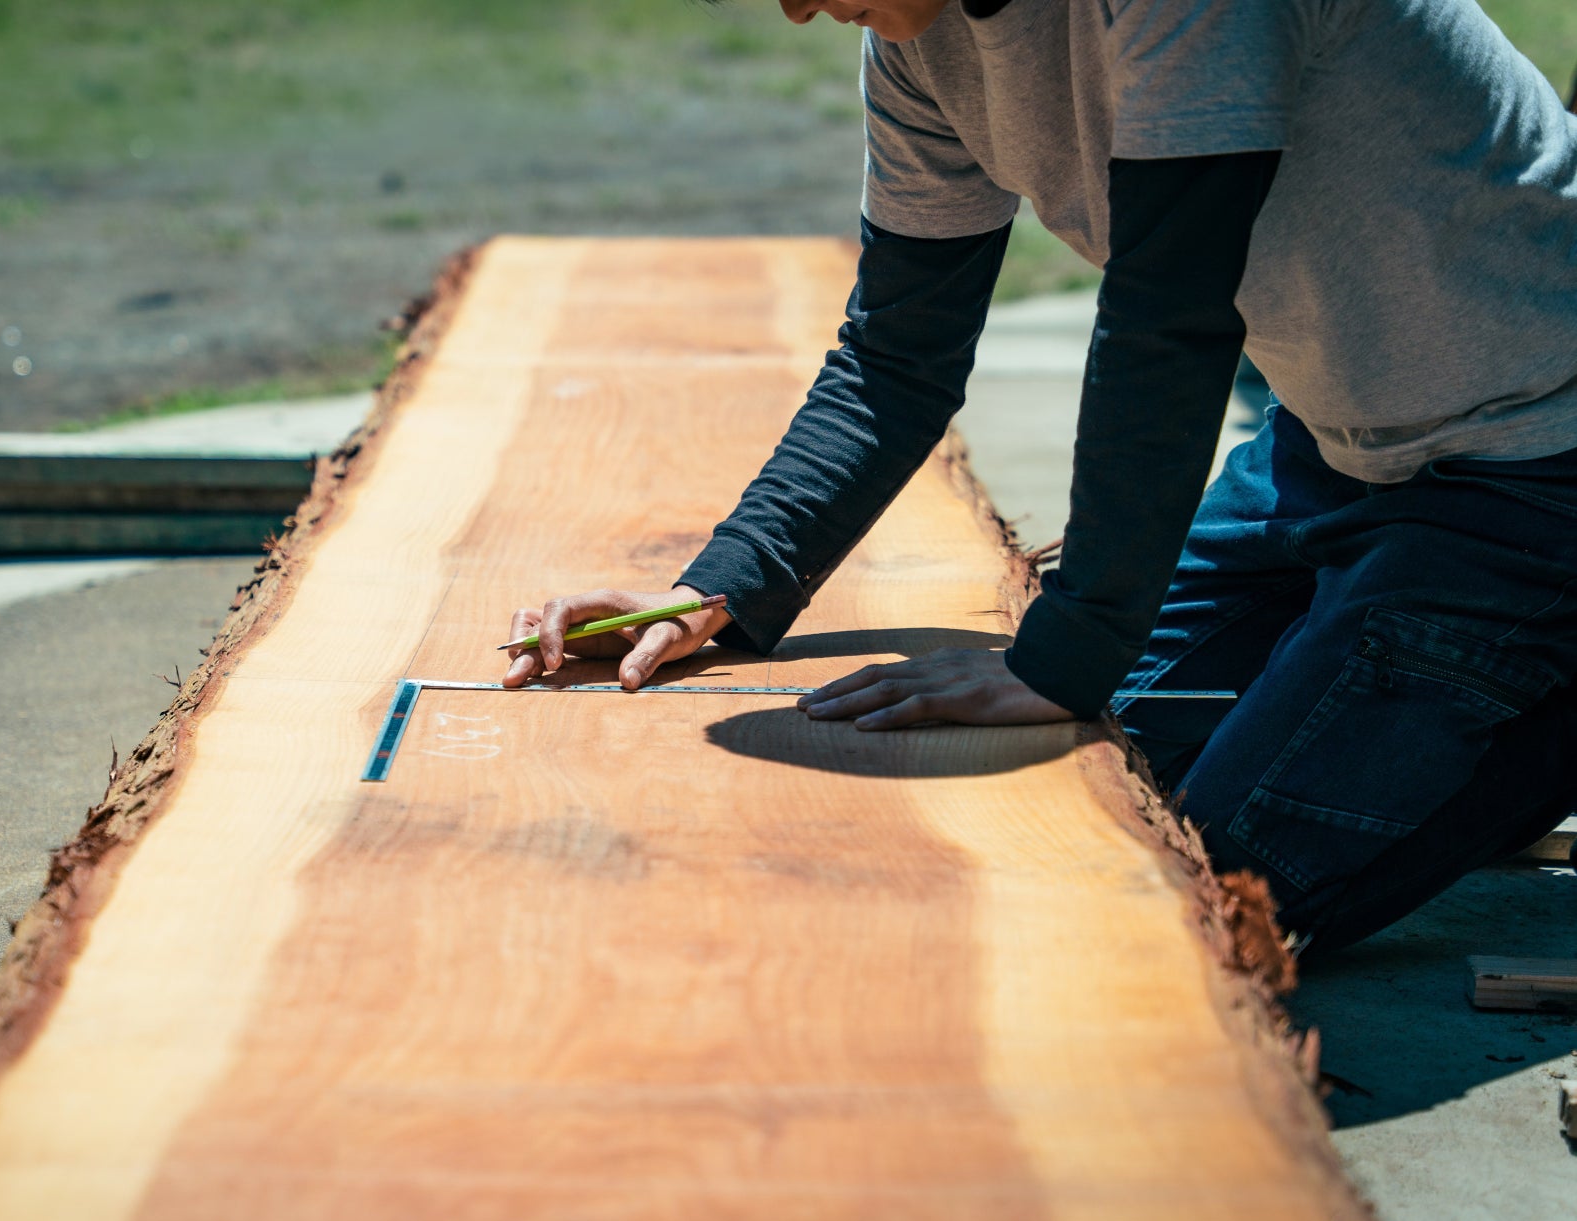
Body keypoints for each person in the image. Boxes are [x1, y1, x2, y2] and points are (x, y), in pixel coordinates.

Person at [503, 0, 1577, 957]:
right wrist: (718, 590)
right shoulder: (919, 45)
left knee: (1200, 900)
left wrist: (1070, 654)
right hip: (1331, 451)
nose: (792, 12)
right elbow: (895, 359)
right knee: (1088, 774)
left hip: (1537, 468)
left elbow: (1168, 318)